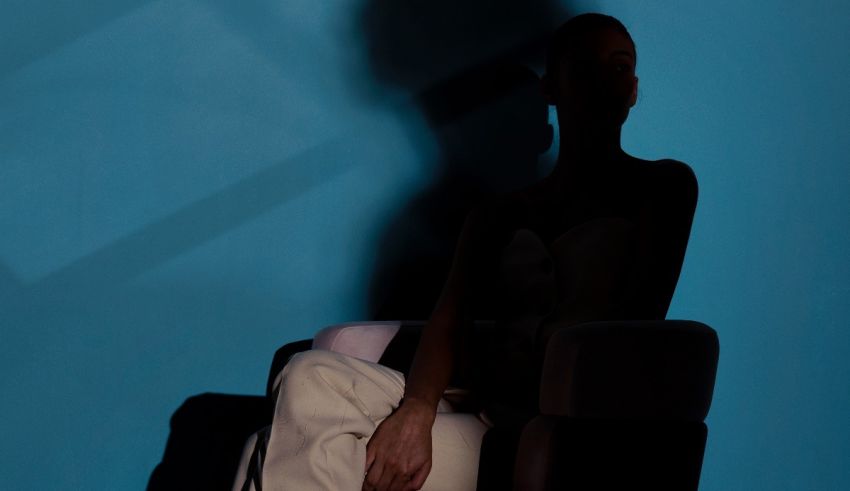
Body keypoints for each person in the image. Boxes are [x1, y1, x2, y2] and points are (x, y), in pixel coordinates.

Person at [233, 12, 697, 491]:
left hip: (562, 419)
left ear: (635, 90)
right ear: (550, 89)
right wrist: (416, 413)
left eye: (620, 67)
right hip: (477, 397)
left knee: (264, 450)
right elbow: (448, 319)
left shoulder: (663, 186)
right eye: (582, 65)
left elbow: (641, 316)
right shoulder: (498, 213)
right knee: (307, 372)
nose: (603, 77)